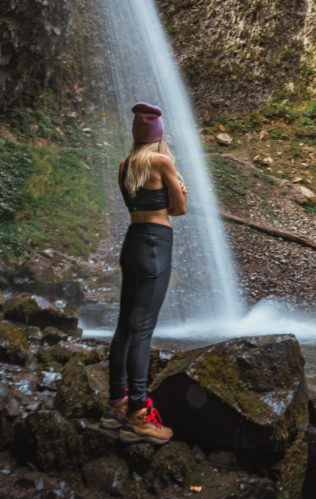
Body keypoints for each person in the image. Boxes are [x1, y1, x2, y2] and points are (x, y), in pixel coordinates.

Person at [99, 102, 187, 445]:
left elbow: (137, 204)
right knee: (143, 330)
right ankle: (138, 415)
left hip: (132, 243)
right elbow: (179, 210)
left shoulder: (125, 165)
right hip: (156, 245)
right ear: (158, 138)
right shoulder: (162, 162)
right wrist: (179, 190)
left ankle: (115, 406)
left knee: (125, 326)